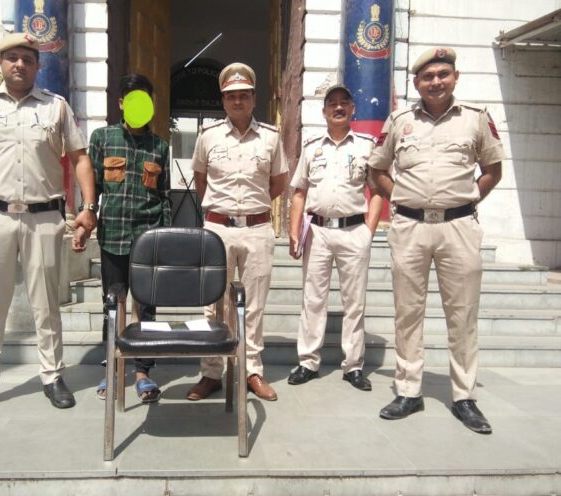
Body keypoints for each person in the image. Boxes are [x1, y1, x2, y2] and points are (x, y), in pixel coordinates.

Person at [0, 33, 97, 417]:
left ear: (37, 65)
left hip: (43, 218)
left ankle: (53, 376)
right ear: (0, 62)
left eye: (27, 59)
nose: (19, 65)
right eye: (12, 58)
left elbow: (80, 158)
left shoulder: (55, 107)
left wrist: (88, 208)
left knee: (47, 305)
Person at [367, 47, 503, 434]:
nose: (436, 82)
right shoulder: (400, 121)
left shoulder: (475, 118)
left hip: (458, 228)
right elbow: (377, 170)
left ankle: (464, 396)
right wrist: (401, 199)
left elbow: (493, 169)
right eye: (428, 76)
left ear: (455, 77)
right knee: (407, 312)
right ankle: (409, 391)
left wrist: (466, 199)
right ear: (416, 83)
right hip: (410, 228)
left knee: (463, 314)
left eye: (443, 74)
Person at [187, 62, 288, 402]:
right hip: (217, 228)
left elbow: (278, 183)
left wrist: (251, 210)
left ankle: (251, 371)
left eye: (244, 95)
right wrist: (224, 211)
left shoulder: (271, 137)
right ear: (223, 100)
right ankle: (211, 372)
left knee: (254, 305)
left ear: (254, 99)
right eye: (231, 96)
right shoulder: (208, 136)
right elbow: (201, 181)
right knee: (213, 303)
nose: (238, 101)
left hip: (257, 229)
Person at [73, 74, 170, 403]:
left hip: (148, 239)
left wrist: (165, 239)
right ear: (121, 103)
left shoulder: (160, 147)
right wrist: (84, 224)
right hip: (113, 236)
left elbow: (165, 198)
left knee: (146, 308)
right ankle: (113, 369)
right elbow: (93, 189)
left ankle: (143, 373)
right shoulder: (102, 138)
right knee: (113, 305)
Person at [287, 84, 382, 390]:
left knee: (354, 302)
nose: (338, 107)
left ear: (352, 109)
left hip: (354, 231)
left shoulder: (367, 146)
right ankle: (308, 362)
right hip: (318, 232)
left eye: (344, 102)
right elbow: (299, 192)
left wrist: (368, 231)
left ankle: (353, 366)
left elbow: (377, 191)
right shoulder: (311, 147)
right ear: (324, 111)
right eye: (332, 103)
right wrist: (294, 231)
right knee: (313, 300)